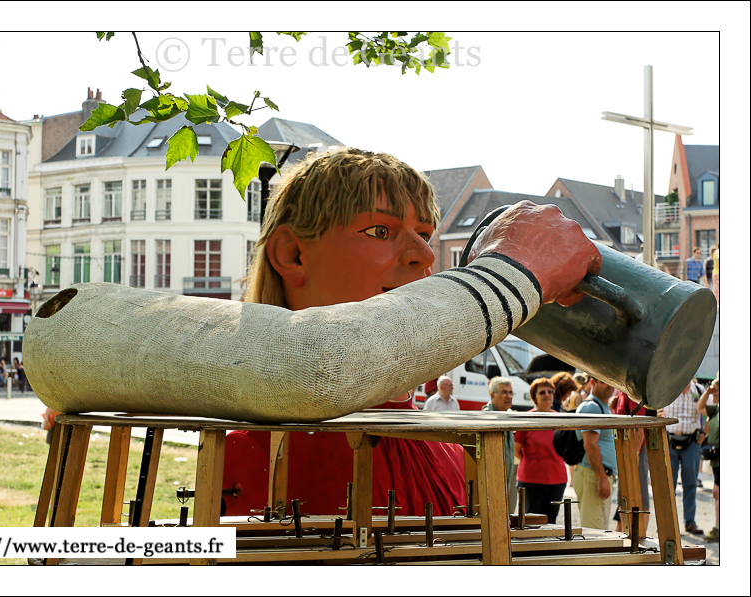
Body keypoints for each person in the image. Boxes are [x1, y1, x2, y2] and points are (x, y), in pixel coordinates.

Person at [218, 148, 601, 517]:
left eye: (424, 234)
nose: (426, 254)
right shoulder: (254, 455)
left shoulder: (452, 451)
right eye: (379, 230)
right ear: (292, 255)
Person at [514, 378, 567, 523]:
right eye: (542, 392)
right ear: (534, 396)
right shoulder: (526, 419)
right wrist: (533, 462)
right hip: (531, 480)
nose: (547, 395)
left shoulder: (561, 419)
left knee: (551, 523)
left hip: (557, 479)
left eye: (550, 391)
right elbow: (516, 450)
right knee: (530, 523)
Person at [659, 381, 706, 535]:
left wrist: (704, 433)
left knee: (691, 483)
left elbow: (712, 412)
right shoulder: (668, 388)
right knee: (668, 484)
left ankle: (690, 522)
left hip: (691, 442)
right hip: (669, 441)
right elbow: (656, 410)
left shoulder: (699, 390)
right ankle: (667, 523)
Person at [572, 377, 617, 530]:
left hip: (595, 474)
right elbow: (590, 445)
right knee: (593, 533)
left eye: (611, 381)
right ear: (593, 382)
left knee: (598, 530)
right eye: (604, 381)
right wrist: (601, 477)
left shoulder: (600, 406)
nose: (609, 385)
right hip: (593, 475)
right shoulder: (592, 407)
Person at [611, 391, 653, 534]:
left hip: (635, 449)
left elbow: (639, 424)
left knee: (638, 492)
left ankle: (639, 535)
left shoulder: (632, 391)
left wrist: (635, 452)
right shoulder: (623, 391)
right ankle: (627, 533)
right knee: (624, 494)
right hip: (627, 449)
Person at [696, 377, 719, 542]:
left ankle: (718, 528)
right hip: (716, 458)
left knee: (717, 491)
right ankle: (718, 527)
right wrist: (708, 391)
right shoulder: (716, 409)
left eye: (717, 391)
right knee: (717, 492)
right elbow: (699, 407)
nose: (714, 394)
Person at [483, 377, 516, 490]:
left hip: (506, 482)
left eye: (511, 392)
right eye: (504, 392)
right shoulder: (485, 417)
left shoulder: (509, 415)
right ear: (492, 395)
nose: (509, 396)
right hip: (489, 482)